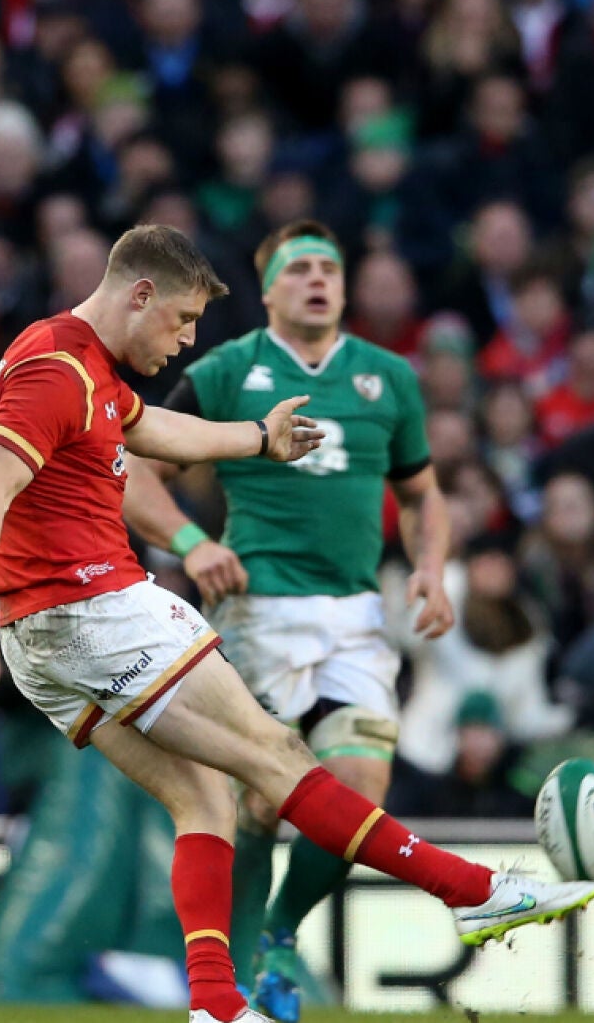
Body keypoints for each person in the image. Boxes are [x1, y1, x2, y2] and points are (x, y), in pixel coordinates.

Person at [0, 224, 594, 1023]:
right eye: (182, 320)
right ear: (141, 294)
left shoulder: (83, 362)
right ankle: (473, 889)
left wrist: (257, 440)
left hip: (48, 639)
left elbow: (156, 430)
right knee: (278, 754)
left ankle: (215, 1007)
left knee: (206, 798)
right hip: (96, 609)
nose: (188, 339)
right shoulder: (56, 368)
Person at [135, 219, 454, 1023]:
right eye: (299, 268)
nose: (317, 279)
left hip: (355, 612)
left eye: (329, 267)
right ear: (269, 288)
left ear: (345, 288)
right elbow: (131, 465)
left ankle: (278, 939)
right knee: (262, 804)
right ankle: (228, 972)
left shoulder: (389, 378)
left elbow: (421, 492)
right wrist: (191, 541)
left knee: (361, 787)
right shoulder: (227, 370)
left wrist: (429, 567)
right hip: (258, 609)